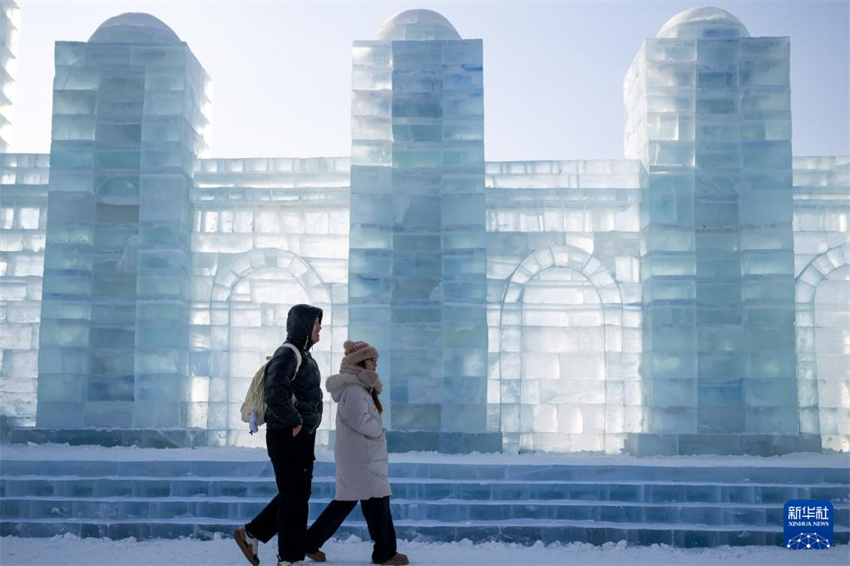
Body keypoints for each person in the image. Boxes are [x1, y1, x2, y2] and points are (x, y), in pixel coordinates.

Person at [304, 340, 409, 566]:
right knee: (377, 501)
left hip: (362, 458)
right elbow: (360, 421)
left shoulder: (359, 390)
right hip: (363, 459)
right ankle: (385, 552)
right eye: (372, 361)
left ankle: (310, 542)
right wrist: (379, 430)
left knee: (349, 502)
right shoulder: (354, 391)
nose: (375, 365)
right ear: (359, 363)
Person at [235, 304, 325, 566]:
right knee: (293, 498)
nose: (320, 328)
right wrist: (295, 420)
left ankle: (252, 534)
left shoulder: (302, 355)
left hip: (299, 435)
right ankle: (288, 558)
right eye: (316, 324)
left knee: (296, 496)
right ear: (304, 326)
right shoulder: (288, 354)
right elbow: (275, 392)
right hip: (287, 435)